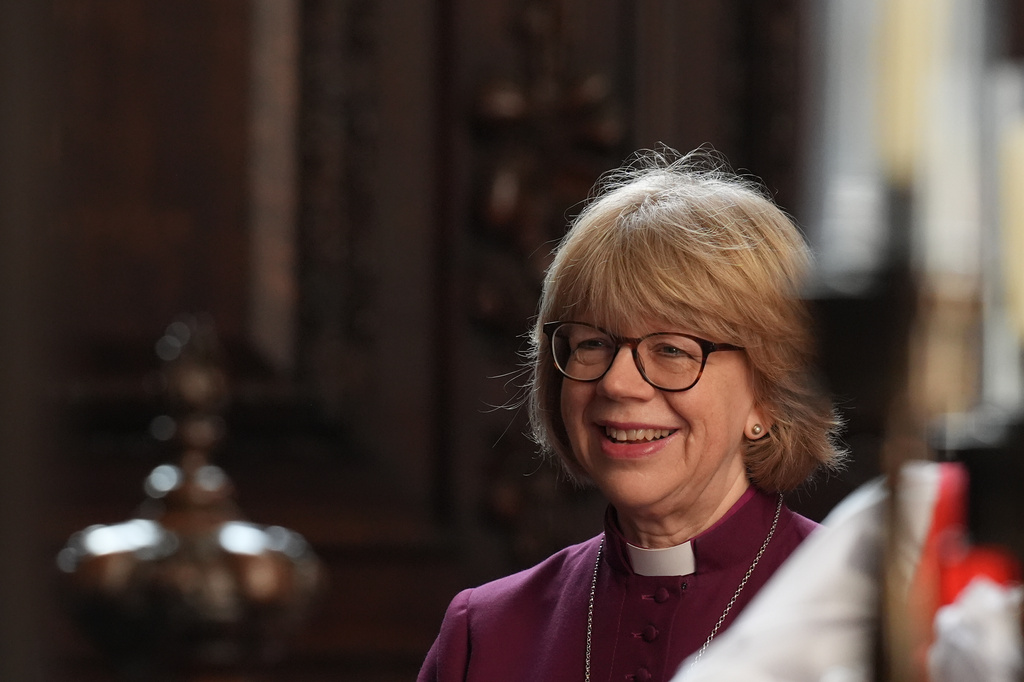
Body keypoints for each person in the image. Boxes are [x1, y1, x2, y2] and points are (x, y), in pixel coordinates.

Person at [418, 147, 846, 682]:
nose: (617, 383)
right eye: (593, 343)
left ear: (769, 391)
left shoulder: (862, 612)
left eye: (671, 349)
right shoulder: (484, 634)